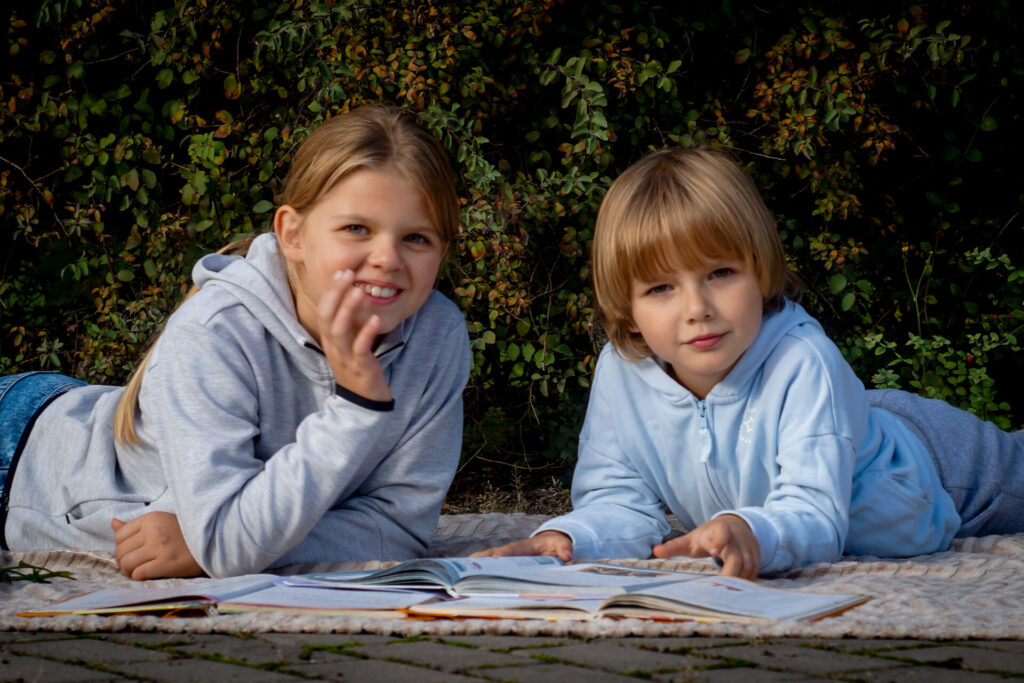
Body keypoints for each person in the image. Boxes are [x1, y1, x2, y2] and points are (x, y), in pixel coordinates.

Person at [474, 147, 1024, 578]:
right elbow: (619, 500)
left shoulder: (802, 361)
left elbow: (814, 511)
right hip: (837, 425)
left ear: (759, 269)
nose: (697, 309)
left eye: (719, 273)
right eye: (662, 287)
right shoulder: (621, 373)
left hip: (938, 468)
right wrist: (571, 539)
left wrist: (748, 528)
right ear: (628, 306)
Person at [1, 105, 471, 580]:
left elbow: (399, 529)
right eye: (356, 229)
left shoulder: (437, 337)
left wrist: (233, 541)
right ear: (292, 234)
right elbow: (229, 547)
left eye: (416, 238)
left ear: (442, 252)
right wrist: (355, 409)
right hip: (20, 452)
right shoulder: (215, 330)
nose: (387, 258)